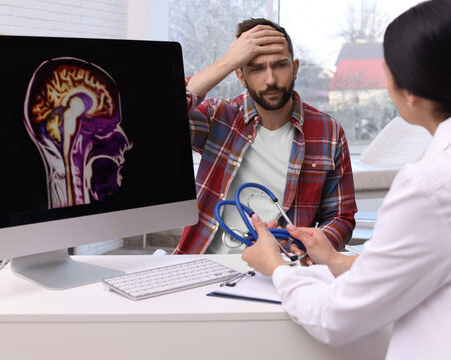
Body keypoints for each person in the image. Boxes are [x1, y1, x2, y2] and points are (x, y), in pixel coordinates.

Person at [242, 1, 451, 358]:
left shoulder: (427, 184)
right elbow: (416, 263)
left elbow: (334, 318)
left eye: (387, 70)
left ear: (411, 91)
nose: (270, 78)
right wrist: (333, 260)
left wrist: (275, 267)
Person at [174, 18, 357, 256]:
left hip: (280, 270)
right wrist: (228, 62)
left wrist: (306, 249)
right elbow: (157, 121)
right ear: (240, 76)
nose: (270, 80)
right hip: (202, 263)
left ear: (295, 68)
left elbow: (341, 217)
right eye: (257, 68)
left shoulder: (328, 132)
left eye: (280, 65)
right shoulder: (218, 116)